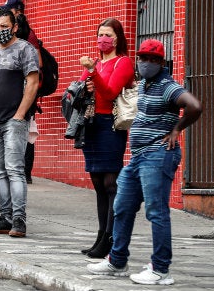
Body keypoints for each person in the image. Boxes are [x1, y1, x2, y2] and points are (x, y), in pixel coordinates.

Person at [86, 39, 202, 285]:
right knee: (122, 206)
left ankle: (160, 270)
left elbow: (195, 106)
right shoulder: (146, 85)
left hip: (157, 156)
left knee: (156, 212)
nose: (146, 63)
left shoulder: (167, 86)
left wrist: (176, 130)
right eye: (142, 59)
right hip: (139, 157)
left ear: (162, 62)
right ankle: (117, 261)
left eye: (152, 59)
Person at [75, 18, 135, 258]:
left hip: (110, 125)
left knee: (111, 184)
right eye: (100, 34)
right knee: (98, 184)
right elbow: (78, 89)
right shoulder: (96, 63)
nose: (103, 39)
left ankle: (111, 237)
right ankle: (101, 236)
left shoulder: (124, 62)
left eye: (108, 34)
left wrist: (92, 74)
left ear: (117, 38)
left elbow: (110, 93)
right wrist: (84, 85)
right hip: (91, 125)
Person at [0, 9, 39, 238]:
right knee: (0, 171)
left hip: (13, 121)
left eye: (4, 26)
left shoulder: (25, 49)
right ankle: (5, 217)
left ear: (14, 27)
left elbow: (32, 83)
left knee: (15, 169)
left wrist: (20, 115)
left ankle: (19, 219)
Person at [0, 0, 42, 184]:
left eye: (9, 11)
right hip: (8, 92)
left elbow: (38, 63)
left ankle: (26, 173)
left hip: (25, 92)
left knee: (25, 131)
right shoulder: (5, 38)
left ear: (17, 12)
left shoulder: (28, 34)